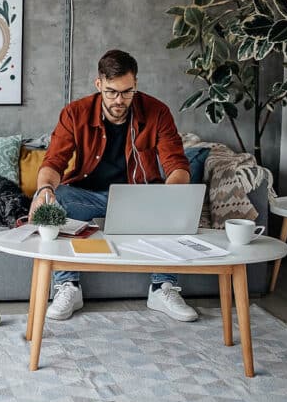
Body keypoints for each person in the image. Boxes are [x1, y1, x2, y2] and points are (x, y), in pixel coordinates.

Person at [30, 49, 196, 322]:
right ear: (99, 84)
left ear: (135, 84)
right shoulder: (75, 113)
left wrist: (169, 196)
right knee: (58, 198)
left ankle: (162, 287)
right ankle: (68, 286)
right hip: (88, 196)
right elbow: (54, 162)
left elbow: (176, 164)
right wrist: (45, 190)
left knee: (170, 199)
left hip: (139, 197)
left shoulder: (157, 112)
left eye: (127, 92)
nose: (119, 100)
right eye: (111, 92)